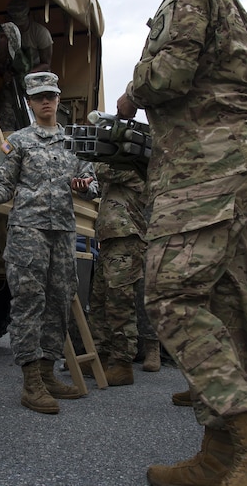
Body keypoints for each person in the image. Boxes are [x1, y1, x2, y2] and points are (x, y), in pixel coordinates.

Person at [116, 0, 247, 486]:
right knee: (225, 305)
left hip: (206, 166)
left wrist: (131, 92)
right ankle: (223, 453)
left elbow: (169, 76)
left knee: (171, 295)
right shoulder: (240, 11)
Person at [0, 71, 98, 415]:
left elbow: (92, 182)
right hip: (28, 231)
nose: (46, 102)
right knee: (29, 302)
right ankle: (31, 381)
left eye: (50, 96)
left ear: (58, 99)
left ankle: (48, 372)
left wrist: (85, 185)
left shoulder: (72, 142)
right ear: (29, 102)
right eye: (39, 97)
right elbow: (4, 186)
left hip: (62, 232)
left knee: (59, 301)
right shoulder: (18, 142)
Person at [88, 154, 156, 386]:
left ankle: (122, 363)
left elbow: (101, 170)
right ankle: (100, 356)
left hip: (127, 239)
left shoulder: (136, 168)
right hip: (110, 239)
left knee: (120, 302)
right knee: (99, 301)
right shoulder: (119, 170)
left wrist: (96, 158)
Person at [6, 0, 52, 73]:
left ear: (29, 15)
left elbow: (46, 64)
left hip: (38, 75)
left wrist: (28, 73)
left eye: (22, 23)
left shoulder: (40, 33)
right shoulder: (8, 33)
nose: (19, 26)